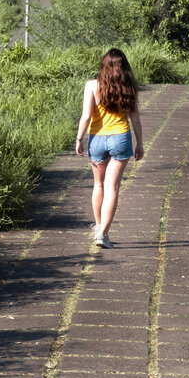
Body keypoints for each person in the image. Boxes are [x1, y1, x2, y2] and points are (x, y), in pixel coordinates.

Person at [74, 48, 144, 248]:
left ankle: (98, 227)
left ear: (103, 66)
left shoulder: (92, 86)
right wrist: (140, 143)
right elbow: (135, 119)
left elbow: (86, 116)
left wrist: (79, 138)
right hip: (120, 138)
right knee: (112, 187)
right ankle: (103, 234)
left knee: (99, 186)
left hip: (96, 139)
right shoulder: (129, 87)